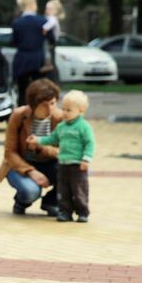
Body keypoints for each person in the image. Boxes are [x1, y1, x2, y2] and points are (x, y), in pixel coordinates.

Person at [28, 90, 95, 222]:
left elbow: (90, 143)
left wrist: (86, 159)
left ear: (81, 111)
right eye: (63, 109)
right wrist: (38, 140)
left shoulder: (84, 127)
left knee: (79, 190)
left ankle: (82, 212)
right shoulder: (61, 127)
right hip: (63, 164)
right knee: (63, 190)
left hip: (77, 165)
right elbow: (52, 139)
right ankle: (65, 212)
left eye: (69, 110)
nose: (64, 112)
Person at [0, 78, 62, 216]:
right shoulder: (19, 116)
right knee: (31, 191)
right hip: (20, 165)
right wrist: (31, 172)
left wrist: (42, 147)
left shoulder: (60, 118)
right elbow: (10, 153)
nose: (50, 108)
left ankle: (51, 201)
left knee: (77, 170)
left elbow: (66, 151)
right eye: (44, 105)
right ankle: (22, 201)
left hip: (50, 163)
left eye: (53, 103)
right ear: (33, 105)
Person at [11, 0, 54, 107]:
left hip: (21, 61)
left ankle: (22, 118)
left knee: (22, 92)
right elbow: (52, 39)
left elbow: (14, 42)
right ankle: (37, 118)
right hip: (38, 61)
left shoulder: (17, 23)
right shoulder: (42, 21)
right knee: (39, 92)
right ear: (32, 4)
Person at [40, 0, 65, 76]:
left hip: (51, 42)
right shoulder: (50, 18)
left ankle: (48, 65)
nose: (47, 10)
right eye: (47, 8)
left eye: (50, 8)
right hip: (52, 42)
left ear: (56, 11)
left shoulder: (52, 19)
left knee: (47, 52)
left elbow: (46, 28)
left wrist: (42, 29)